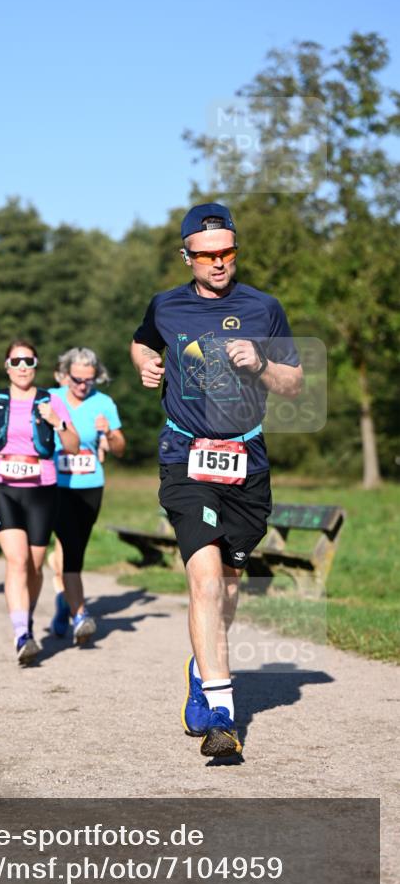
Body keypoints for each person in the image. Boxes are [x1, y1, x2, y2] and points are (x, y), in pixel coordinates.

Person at [130, 202, 303, 758]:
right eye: (206, 255)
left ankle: (202, 669)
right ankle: (223, 717)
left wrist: (263, 366)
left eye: (226, 251)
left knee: (227, 589)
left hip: (246, 462)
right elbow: (142, 339)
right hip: (186, 457)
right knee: (205, 580)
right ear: (187, 256)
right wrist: (143, 364)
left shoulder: (264, 308)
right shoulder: (166, 306)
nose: (218, 262)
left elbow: (295, 383)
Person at [0, 339, 78, 664]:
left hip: (42, 487)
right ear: (7, 367)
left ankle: (25, 618)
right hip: (2, 484)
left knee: (34, 564)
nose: (22, 367)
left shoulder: (52, 400)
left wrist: (57, 423)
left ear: (36, 364)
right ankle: (21, 634)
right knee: (16, 560)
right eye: (15, 362)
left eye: (28, 361)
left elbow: (72, 446)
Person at [49, 347, 126, 642]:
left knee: (76, 547)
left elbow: (120, 448)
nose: (83, 386)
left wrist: (109, 434)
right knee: (68, 547)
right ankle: (80, 613)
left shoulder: (103, 403)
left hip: (90, 486)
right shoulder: (51, 399)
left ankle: (63, 603)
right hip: (57, 486)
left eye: (89, 380)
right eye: (77, 379)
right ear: (65, 374)